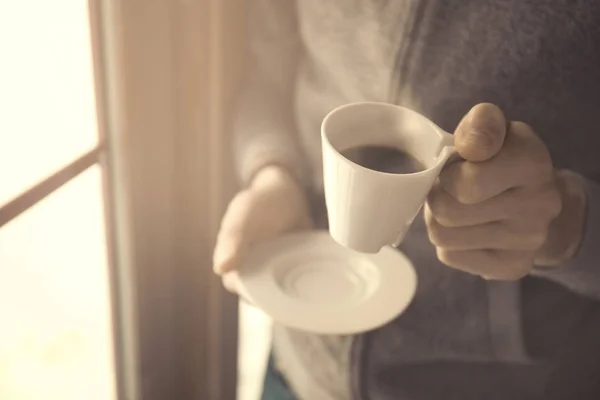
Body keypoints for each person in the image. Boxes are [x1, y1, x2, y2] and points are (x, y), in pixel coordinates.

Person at [213, 1, 600, 399]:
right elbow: (265, 73)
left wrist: (566, 227)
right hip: (298, 360)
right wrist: (273, 172)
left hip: (499, 384)